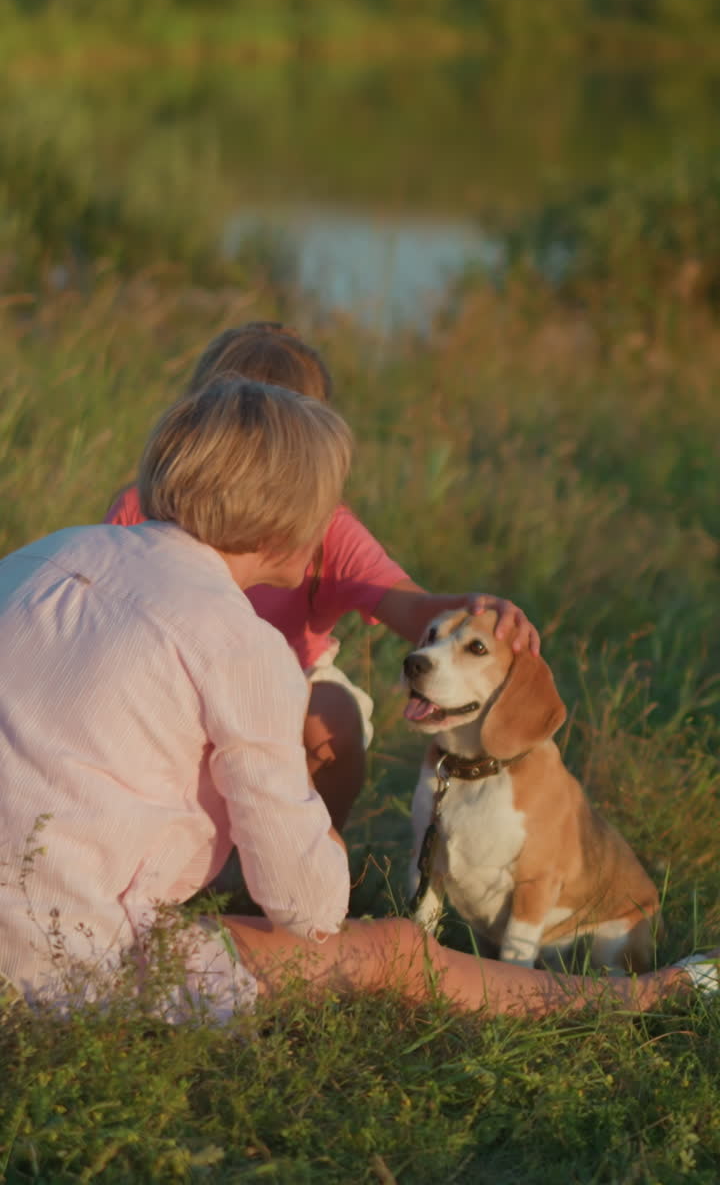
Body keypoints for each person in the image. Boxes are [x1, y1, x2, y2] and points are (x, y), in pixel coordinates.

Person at [0, 374, 716, 1021]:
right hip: (61, 952)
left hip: (47, 900)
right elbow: (308, 911)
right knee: (398, 951)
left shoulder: (40, 555)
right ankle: (650, 995)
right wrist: (319, 847)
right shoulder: (241, 645)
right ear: (291, 525)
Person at [106, 322, 541, 832]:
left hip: (290, 681)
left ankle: (314, 845)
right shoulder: (146, 504)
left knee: (331, 715)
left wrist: (476, 610)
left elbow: (405, 605)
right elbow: (106, 612)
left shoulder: (326, 526)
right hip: (170, 678)